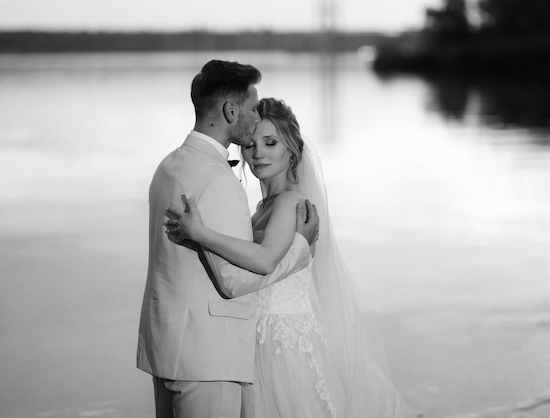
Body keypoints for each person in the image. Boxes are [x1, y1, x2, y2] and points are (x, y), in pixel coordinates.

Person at [166, 98, 411, 417]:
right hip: (262, 337)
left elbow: (264, 258)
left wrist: (199, 232)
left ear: (292, 150)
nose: (258, 153)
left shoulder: (290, 203)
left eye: (270, 143)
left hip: (284, 345)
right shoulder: (263, 208)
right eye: (251, 145)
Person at [137, 61, 320, 418]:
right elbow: (235, 280)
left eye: (270, 142)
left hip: (165, 345)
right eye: (252, 109)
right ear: (230, 110)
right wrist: (300, 247)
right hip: (208, 356)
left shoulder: (168, 166)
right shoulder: (219, 180)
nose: (254, 122)